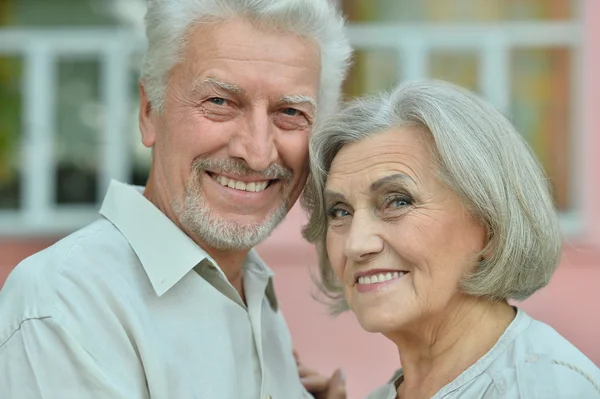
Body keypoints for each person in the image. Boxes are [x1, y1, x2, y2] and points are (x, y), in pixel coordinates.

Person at [0, 1, 352, 398]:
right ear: (150, 111)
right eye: (219, 102)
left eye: (289, 112)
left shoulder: (251, 290)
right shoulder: (68, 303)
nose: (257, 152)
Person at [302, 80, 600, 399]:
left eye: (398, 201)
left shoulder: (546, 388)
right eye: (339, 211)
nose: (356, 244)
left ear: (489, 226)